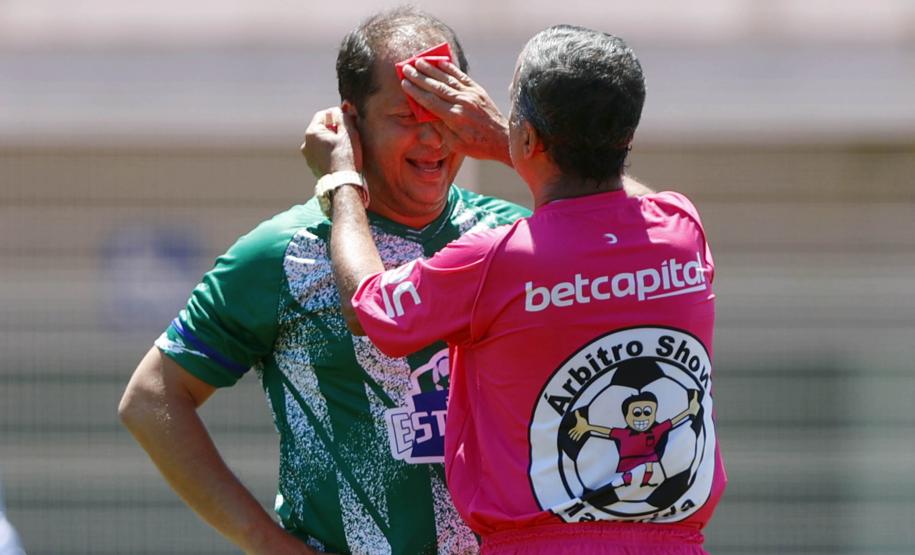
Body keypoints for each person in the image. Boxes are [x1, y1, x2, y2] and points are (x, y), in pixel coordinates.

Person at [118, 7, 528, 555]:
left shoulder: (517, 236)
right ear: (350, 121)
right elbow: (151, 398)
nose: (433, 139)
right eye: (407, 116)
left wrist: (509, 145)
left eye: (446, 111)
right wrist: (262, 541)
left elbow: (659, 237)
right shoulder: (283, 253)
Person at [318, 24, 726, 554]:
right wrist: (516, 142)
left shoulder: (494, 261)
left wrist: (342, 180)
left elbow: (368, 304)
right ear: (628, 135)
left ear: (527, 137)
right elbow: (631, 205)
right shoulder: (680, 231)